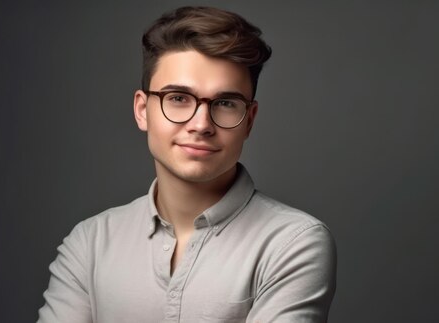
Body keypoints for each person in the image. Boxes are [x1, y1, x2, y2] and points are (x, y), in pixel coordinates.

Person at [38, 6, 336, 323]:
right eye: (179, 98)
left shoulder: (293, 243)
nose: (201, 124)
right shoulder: (90, 243)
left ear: (249, 121)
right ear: (142, 110)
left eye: (225, 103)